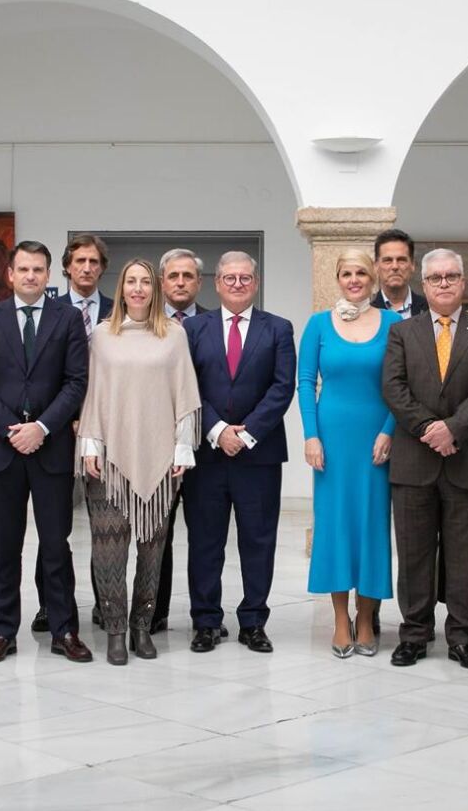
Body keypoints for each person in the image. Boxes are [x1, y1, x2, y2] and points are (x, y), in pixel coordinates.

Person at [381, 248, 468, 669]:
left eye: (451, 276)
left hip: (465, 460)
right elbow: (394, 387)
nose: (443, 284)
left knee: (464, 557)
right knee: (414, 555)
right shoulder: (403, 332)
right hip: (413, 463)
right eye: (435, 278)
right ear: (423, 283)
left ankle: (463, 638)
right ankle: (414, 635)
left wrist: (453, 428)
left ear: (464, 282)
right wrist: (428, 429)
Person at [0, 241, 94, 664]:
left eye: (38, 269)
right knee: (5, 547)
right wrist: (12, 429)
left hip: (51, 447)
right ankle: (2, 630)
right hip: (1, 449)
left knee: (55, 545)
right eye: (23, 269)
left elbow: (76, 381)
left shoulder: (67, 318)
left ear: (49, 274)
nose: (30, 276)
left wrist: (41, 428)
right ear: (10, 274)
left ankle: (64, 629)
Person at [77, 259, 202, 665]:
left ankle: (141, 627)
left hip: (160, 457)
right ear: (121, 288)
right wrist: (90, 444)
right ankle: (115, 628)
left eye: (145, 281)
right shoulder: (102, 336)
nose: (137, 288)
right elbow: (93, 393)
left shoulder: (174, 335)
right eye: (131, 281)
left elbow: (185, 394)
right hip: (109, 460)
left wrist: (183, 447)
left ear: (155, 289)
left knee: (152, 547)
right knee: (108, 549)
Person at [182, 252, 297, 654]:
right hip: (207, 455)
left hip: (258, 456)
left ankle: (253, 622)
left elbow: (282, 387)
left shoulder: (278, 328)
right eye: (229, 278)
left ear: (256, 282)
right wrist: (217, 430)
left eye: (245, 278)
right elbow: (187, 386)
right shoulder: (193, 328)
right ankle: (205, 621)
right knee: (205, 542)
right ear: (216, 283)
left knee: (258, 541)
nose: (237, 284)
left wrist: (247, 434)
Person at [303, 248, 398, 658]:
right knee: (335, 525)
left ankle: (367, 618)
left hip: (377, 439)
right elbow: (305, 382)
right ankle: (341, 619)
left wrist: (389, 431)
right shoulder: (318, 324)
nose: (354, 280)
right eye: (347, 273)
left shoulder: (393, 324)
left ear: (373, 277)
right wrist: (311, 436)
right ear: (337, 278)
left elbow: (402, 384)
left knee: (372, 525)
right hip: (332, 439)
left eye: (361, 272)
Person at [38, 233, 112, 633]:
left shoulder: (118, 311)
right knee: (53, 526)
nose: (86, 267)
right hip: (56, 429)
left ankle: (106, 601)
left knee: (106, 524)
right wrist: (62, 416)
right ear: (67, 267)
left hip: (107, 430)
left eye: (94, 261)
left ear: (102, 268)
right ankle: (50, 605)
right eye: (79, 261)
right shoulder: (48, 311)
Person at [151, 247, 208, 633]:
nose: (181, 282)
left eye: (188, 276)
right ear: (162, 282)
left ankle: (204, 617)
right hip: (156, 445)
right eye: (173, 275)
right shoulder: (146, 323)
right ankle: (154, 612)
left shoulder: (214, 323)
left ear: (199, 282)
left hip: (203, 447)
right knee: (158, 536)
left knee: (204, 537)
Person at [372, 228, 426, 317]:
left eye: (401, 260)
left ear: (412, 265)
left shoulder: (429, 309)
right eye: (388, 260)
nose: (395, 266)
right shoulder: (366, 312)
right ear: (376, 266)